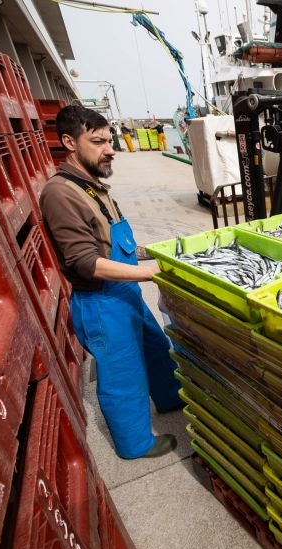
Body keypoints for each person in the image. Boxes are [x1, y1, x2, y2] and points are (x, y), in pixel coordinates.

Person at [39, 106, 182, 460]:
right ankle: (136, 445)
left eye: (110, 140)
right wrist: (151, 274)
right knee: (124, 374)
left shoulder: (92, 187)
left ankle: (171, 400)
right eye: (98, 141)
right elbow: (84, 261)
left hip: (125, 293)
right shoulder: (60, 194)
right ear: (69, 142)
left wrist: (161, 254)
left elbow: (121, 243)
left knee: (156, 348)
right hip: (102, 303)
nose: (111, 148)